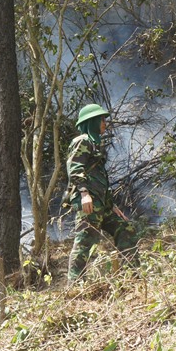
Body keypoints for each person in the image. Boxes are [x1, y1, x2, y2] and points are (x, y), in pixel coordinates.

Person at [66, 104, 138, 281]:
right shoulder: (82, 141)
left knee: (125, 228)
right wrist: (84, 193)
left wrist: (111, 205)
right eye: (101, 119)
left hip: (101, 203)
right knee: (85, 241)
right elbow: (74, 168)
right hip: (88, 202)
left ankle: (132, 277)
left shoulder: (96, 143)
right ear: (91, 122)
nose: (105, 123)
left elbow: (99, 178)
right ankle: (74, 287)